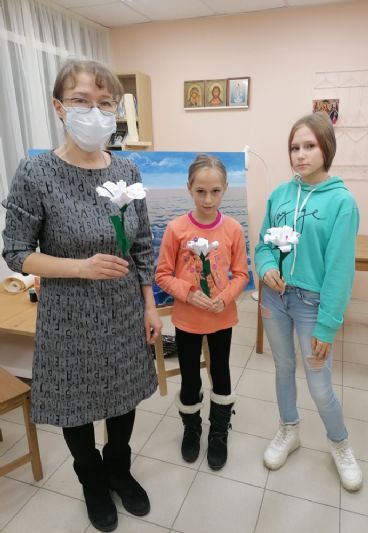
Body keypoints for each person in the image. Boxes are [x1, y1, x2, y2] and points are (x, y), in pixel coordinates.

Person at [2, 59, 162, 532]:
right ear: (59, 107)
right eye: (81, 101)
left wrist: (150, 304)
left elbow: (141, 243)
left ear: (116, 111)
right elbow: (16, 253)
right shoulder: (37, 173)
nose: (94, 112)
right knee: (76, 401)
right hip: (68, 314)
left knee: (124, 395)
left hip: (123, 310)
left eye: (105, 103)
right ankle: (91, 478)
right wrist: (80, 268)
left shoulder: (127, 168)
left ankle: (119, 469)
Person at [254, 112, 363, 491]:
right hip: (275, 299)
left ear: (326, 148)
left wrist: (328, 324)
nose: (300, 154)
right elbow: (263, 245)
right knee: (284, 368)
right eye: (294, 147)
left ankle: (340, 443)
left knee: (319, 383)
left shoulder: (342, 202)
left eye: (309, 146)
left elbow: (340, 269)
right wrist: (267, 266)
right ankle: (289, 430)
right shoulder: (280, 195)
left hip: (311, 306)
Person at [155, 154, 249, 470]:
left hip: (222, 318)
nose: (208, 199)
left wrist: (226, 296)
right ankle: (192, 427)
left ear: (225, 189)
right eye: (200, 191)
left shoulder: (233, 228)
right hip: (187, 320)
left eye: (215, 191)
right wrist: (188, 293)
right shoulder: (175, 229)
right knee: (190, 376)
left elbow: (242, 274)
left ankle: (219, 431)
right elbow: (162, 274)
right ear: (189, 189)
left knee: (220, 372)